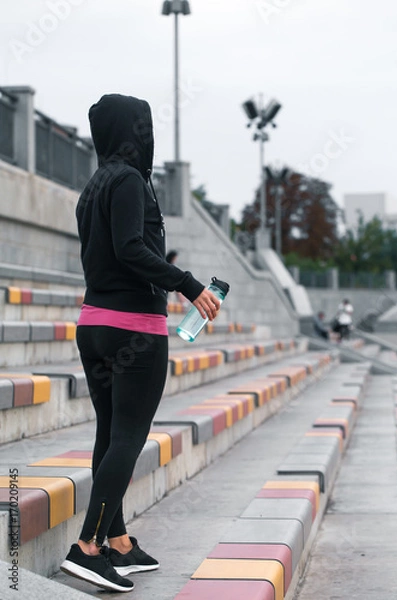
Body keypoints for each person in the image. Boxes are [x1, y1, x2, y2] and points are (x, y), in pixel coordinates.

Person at [60, 94, 220, 593]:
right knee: (128, 435)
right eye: (143, 126)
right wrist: (187, 283)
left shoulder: (94, 185)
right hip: (133, 328)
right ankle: (87, 547)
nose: (148, 136)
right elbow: (131, 247)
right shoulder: (129, 180)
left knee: (110, 433)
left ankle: (118, 541)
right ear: (132, 132)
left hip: (95, 325)